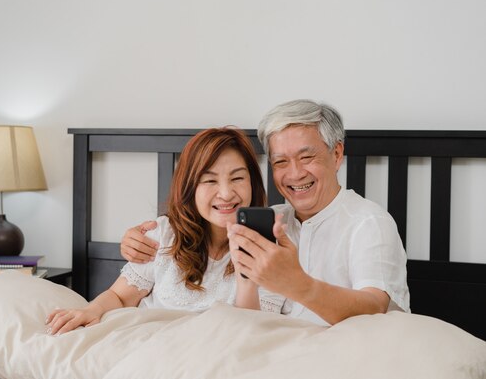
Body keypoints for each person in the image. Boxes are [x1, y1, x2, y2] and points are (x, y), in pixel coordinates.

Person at [120, 100, 410, 326]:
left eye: (306, 157)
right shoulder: (268, 221)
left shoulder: (368, 223)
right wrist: (139, 240)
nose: (295, 174)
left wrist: (298, 285)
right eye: (280, 161)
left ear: (336, 155)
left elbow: (374, 309)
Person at [46, 127, 287, 335]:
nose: (225, 193)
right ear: (190, 188)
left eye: (237, 178)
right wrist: (91, 310)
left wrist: (247, 275)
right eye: (210, 181)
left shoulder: (270, 247)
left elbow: (253, 330)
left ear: (252, 184)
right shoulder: (163, 233)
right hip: (147, 345)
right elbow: (120, 297)